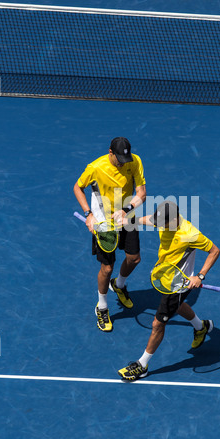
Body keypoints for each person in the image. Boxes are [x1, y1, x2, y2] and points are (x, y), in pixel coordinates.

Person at [118, 200, 220, 380]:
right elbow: (149, 220)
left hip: (179, 283)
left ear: (172, 220)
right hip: (165, 277)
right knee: (178, 307)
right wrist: (128, 220)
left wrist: (200, 276)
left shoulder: (189, 233)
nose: (158, 226)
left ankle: (142, 365)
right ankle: (201, 326)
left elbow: (214, 251)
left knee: (158, 324)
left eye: (161, 223)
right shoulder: (163, 220)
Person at [73, 137, 146, 332]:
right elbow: (77, 187)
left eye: (126, 159)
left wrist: (127, 208)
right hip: (103, 221)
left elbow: (142, 193)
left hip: (125, 215)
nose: (124, 163)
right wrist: (88, 214)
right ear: (110, 152)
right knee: (107, 268)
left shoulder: (135, 161)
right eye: (119, 159)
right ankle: (102, 306)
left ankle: (119, 284)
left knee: (134, 259)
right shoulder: (95, 167)